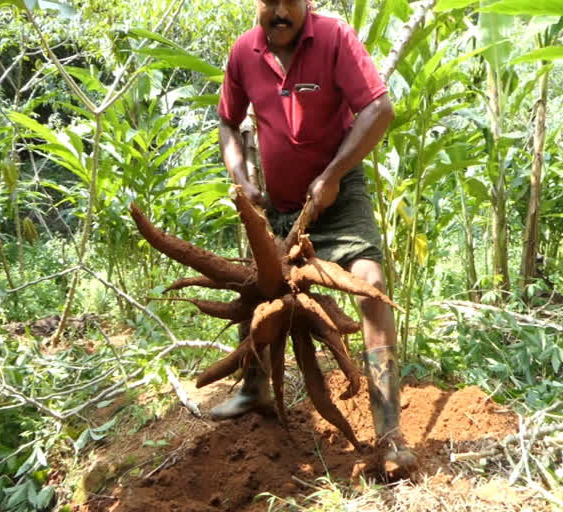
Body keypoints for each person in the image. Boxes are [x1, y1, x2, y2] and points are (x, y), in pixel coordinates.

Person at [212, 0, 417, 471]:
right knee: (258, 297)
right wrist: (242, 178)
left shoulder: (334, 36)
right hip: (278, 208)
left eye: (291, 1)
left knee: (371, 288)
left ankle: (388, 435)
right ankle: (253, 393)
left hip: (338, 198)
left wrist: (333, 175)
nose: (280, 11)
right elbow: (227, 120)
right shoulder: (244, 51)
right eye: (271, 2)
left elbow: (378, 108)